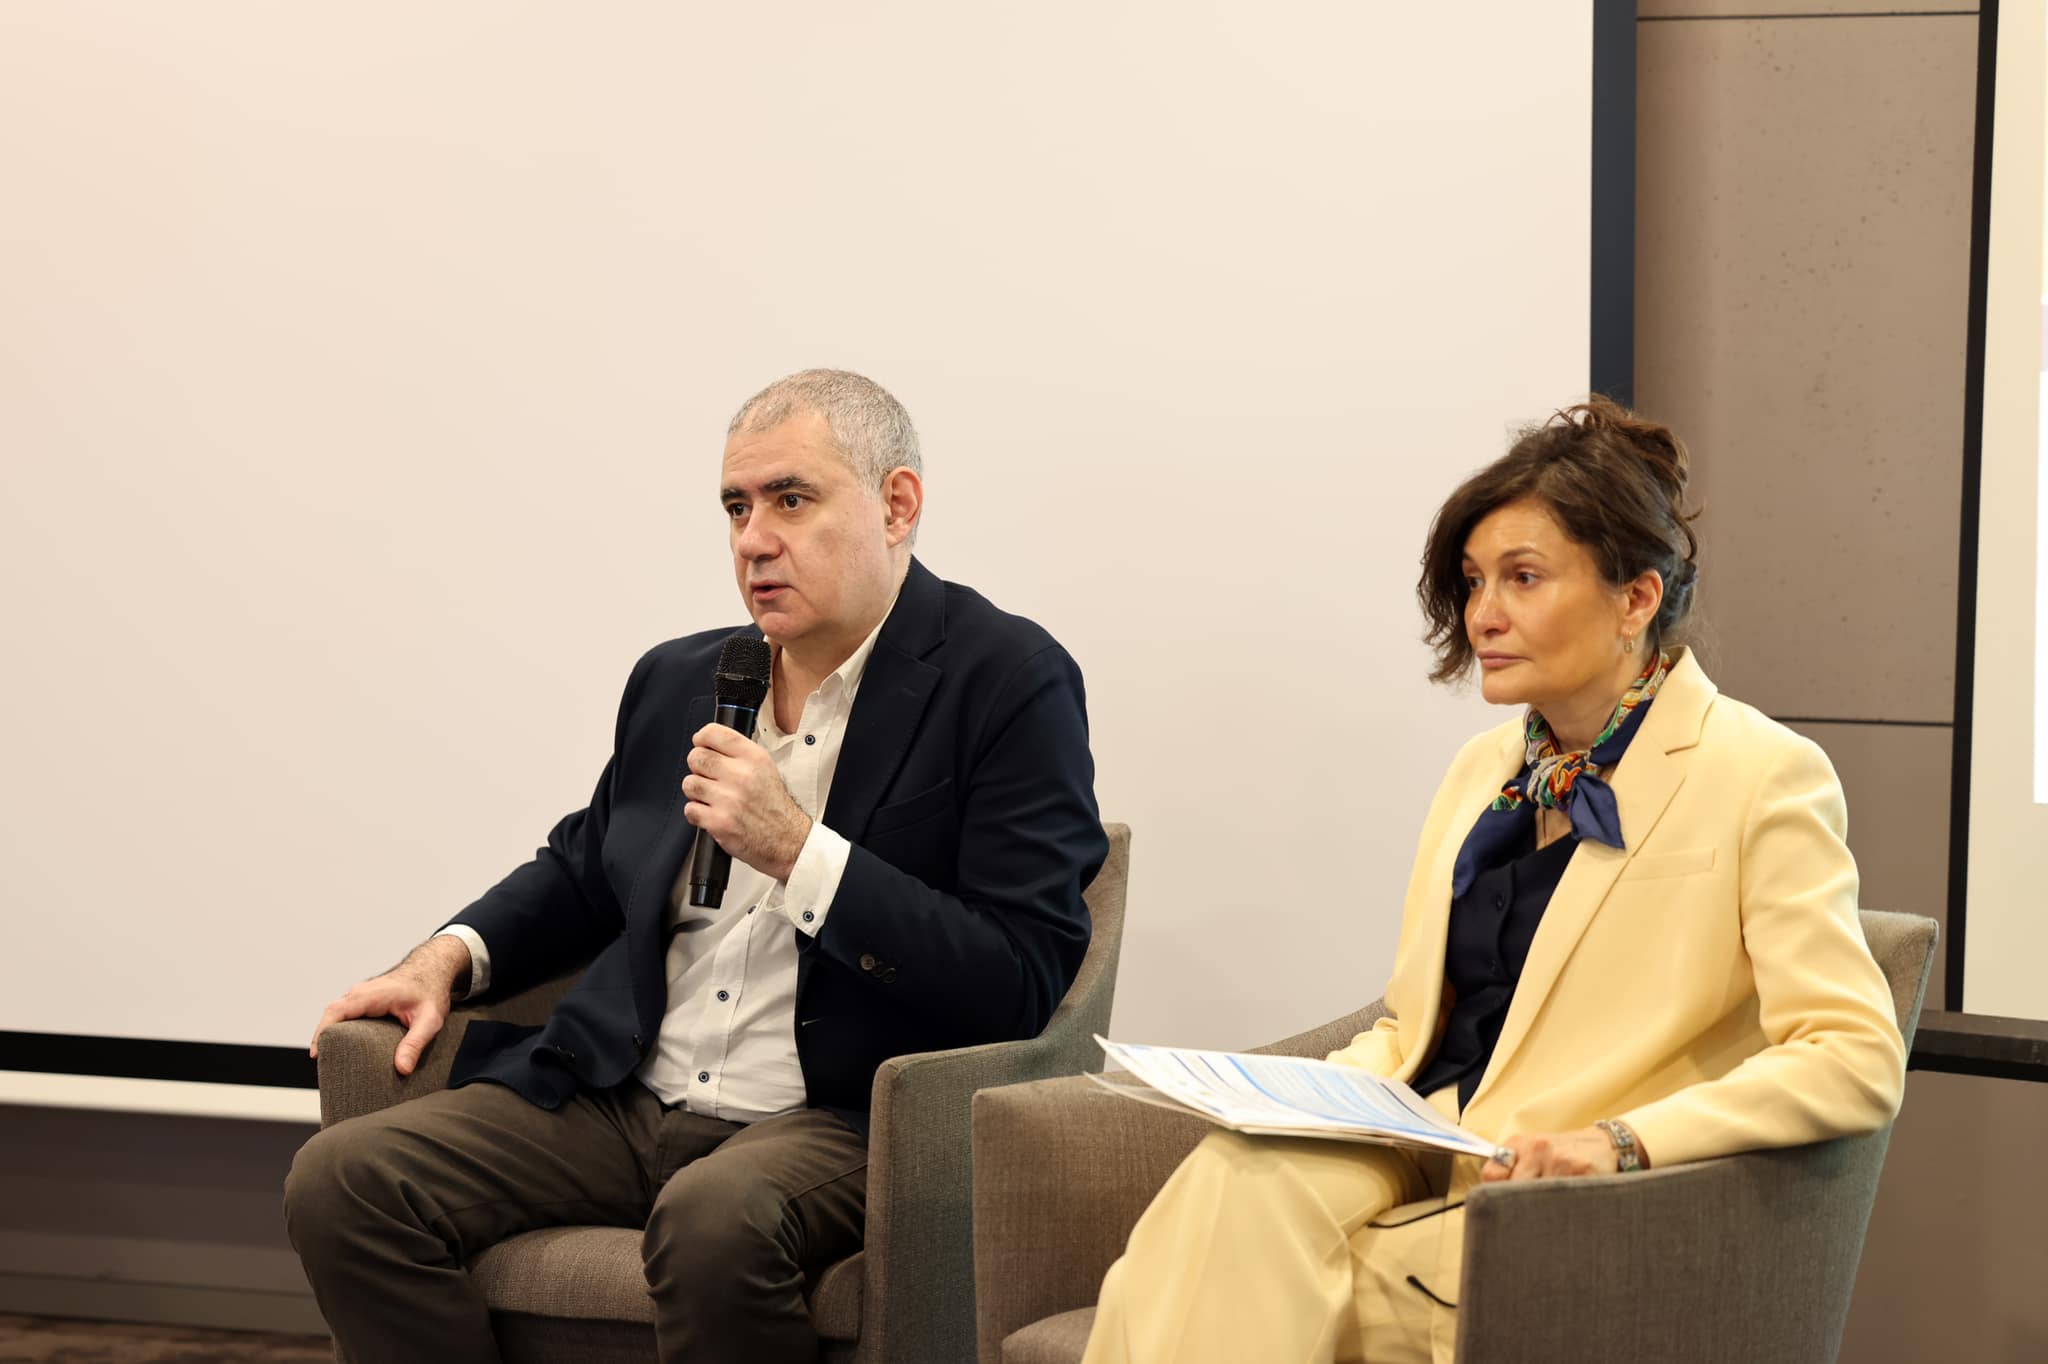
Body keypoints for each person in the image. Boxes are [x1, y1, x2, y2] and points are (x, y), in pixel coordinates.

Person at [284, 369, 1106, 1364]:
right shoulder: (684, 675)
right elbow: (587, 866)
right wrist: (446, 957)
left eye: (790, 499)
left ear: (897, 505)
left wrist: (799, 852)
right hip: (623, 1093)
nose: (753, 539)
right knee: (345, 1177)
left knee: (713, 1219)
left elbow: (1019, 972)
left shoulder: (1006, 680)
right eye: (735, 507)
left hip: (835, 1112)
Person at [1081, 398, 1905, 1364]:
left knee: (1190, 1281)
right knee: (1229, 1177)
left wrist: (1623, 1140)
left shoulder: (1761, 773)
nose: (1482, 615)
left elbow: (1851, 1054)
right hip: (1421, 1130)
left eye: (1522, 578)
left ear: (1636, 599)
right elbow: (1414, 1025)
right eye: (1474, 581)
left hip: (1556, 1186)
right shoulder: (1483, 770)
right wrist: (1296, 1096)